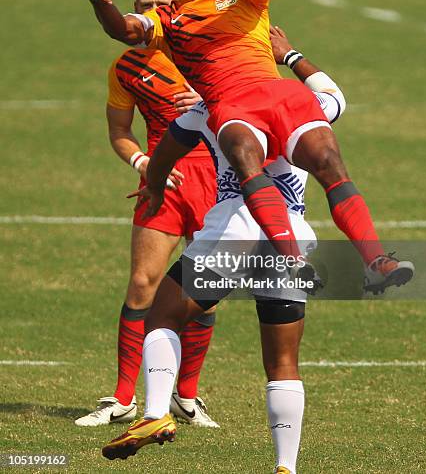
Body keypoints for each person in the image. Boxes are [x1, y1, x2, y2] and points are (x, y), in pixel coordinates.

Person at [88, 0, 413, 295]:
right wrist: (100, 0)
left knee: (330, 162)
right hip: (231, 105)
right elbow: (125, 31)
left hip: (280, 94)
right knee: (244, 156)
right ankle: (292, 259)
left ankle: (375, 261)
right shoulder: (167, 19)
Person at [101, 31, 345, 473]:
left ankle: (156, 414)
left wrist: (153, 186)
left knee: (163, 315)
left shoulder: (211, 108)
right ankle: (285, 466)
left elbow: (166, 151)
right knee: (282, 362)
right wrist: (291, 54)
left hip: (234, 233)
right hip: (289, 239)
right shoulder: (304, 105)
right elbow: (334, 95)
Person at [75, 0, 219, 429]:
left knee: (205, 298)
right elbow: (119, 133)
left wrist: (207, 98)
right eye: (144, 4)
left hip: (215, 180)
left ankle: (187, 397)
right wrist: (142, 163)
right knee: (142, 285)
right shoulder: (125, 68)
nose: (152, 11)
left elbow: (246, 97)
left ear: (174, 8)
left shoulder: (202, 53)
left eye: (161, 4)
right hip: (163, 182)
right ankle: (122, 398)